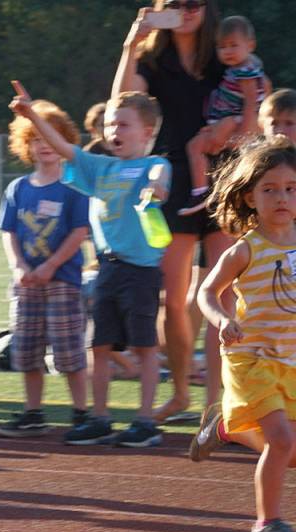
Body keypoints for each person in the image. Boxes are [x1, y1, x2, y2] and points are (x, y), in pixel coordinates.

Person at [10, 86, 170, 448]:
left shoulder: (154, 164)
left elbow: (159, 184)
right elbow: (67, 149)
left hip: (141, 271)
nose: (114, 131)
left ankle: (145, 421)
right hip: (108, 270)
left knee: (144, 348)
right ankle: (100, 418)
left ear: (147, 132)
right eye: (111, 124)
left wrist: (154, 190)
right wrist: (32, 115)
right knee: (99, 346)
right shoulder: (101, 167)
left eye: (124, 125)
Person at [112, 0, 227, 422]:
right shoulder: (154, 61)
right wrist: (130, 43)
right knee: (174, 300)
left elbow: (257, 89)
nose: (188, 9)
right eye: (177, 3)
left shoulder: (223, 55)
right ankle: (180, 393)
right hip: (171, 178)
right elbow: (120, 105)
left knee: (221, 294)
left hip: (224, 176)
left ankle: (216, 404)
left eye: (196, 2)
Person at [192, 136, 296, 532]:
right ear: (250, 197)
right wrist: (221, 320)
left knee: (291, 452)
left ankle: (225, 429)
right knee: (281, 442)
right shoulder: (244, 250)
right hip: (250, 358)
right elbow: (206, 292)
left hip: (290, 359)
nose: (282, 197)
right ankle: (267, 523)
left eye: (290, 188)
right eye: (269, 189)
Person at [0, 99, 90, 437]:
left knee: (68, 349)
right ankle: (33, 412)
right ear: (26, 145)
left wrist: (51, 265)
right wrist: (19, 265)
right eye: (35, 138)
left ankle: (81, 413)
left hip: (62, 279)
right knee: (26, 348)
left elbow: (80, 231)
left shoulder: (74, 186)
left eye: (51, 137)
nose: (44, 145)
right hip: (27, 283)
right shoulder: (18, 188)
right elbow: (8, 232)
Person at [181, 15, 268, 216]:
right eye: (222, 47)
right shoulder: (238, 69)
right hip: (226, 120)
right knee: (199, 147)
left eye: (233, 45)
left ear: (250, 45)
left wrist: (244, 130)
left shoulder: (245, 71)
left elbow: (250, 101)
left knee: (195, 147)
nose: (227, 51)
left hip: (234, 119)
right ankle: (203, 191)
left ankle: (200, 192)